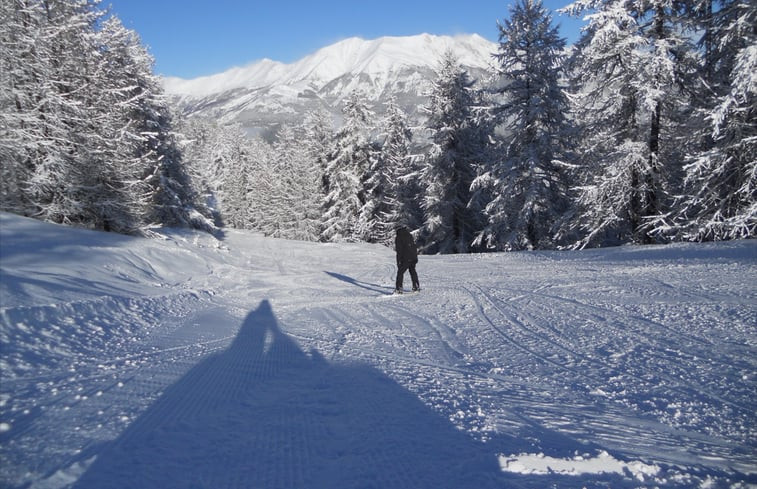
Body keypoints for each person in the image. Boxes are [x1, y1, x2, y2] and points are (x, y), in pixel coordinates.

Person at [395, 226, 420, 294]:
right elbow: (413, 246)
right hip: (413, 257)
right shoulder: (409, 235)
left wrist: (399, 261)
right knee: (412, 271)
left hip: (406, 258)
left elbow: (399, 250)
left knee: (400, 272)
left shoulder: (399, 237)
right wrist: (415, 257)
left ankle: (399, 288)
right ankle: (416, 286)